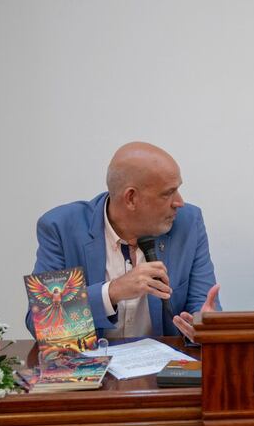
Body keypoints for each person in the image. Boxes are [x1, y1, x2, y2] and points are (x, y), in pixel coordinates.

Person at [27, 141, 220, 340]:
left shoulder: (187, 224)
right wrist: (112, 291)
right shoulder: (61, 228)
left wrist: (206, 325)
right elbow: (42, 324)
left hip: (163, 367)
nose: (179, 202)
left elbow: (203, 305)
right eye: (168, 193)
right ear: (130, 198)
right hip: (93, 364)